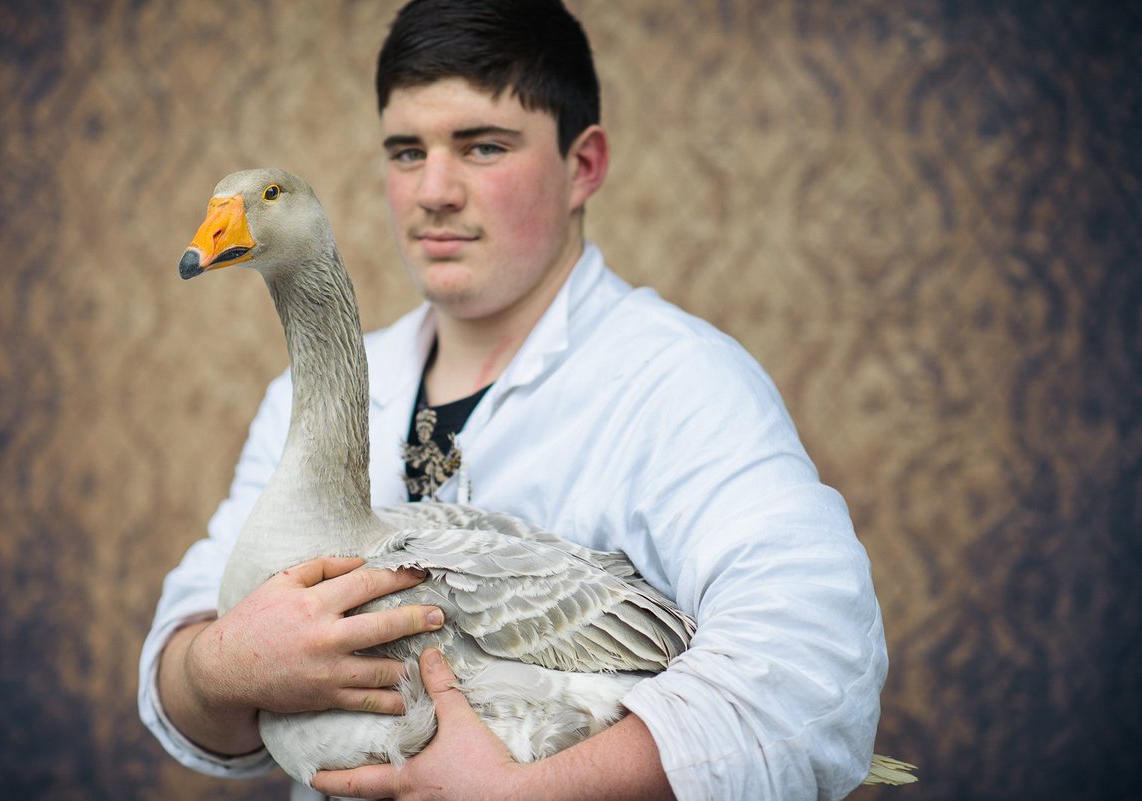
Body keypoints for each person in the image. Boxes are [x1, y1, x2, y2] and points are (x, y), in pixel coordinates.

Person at [138, 1, 888, 799]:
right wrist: (223, 667)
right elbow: (186, 682)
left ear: (584, 165)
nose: (433, 190)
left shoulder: (686, 383)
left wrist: (524, 792)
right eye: (405, 151)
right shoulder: (308, 391)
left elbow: (812, 670)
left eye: (482, 146)